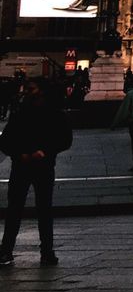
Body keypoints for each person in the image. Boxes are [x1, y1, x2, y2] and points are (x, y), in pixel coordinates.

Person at [0, 78, 73, 265]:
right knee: (25, 208)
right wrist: (20, 153)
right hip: (29, 164)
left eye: (31, 88)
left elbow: (65, 139)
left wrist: (44, 152)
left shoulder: (50, 114)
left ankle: (42, 250)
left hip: (39, 164)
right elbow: (6, 140)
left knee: (36, 209)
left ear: (41, 91)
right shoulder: (26, 113)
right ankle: (11, 250)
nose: (27, 91)